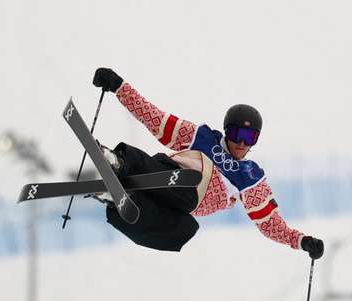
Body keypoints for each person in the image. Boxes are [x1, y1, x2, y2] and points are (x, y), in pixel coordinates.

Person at [89, 67, 324, 259]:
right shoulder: (201, 137)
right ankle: (119, 163)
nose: (241, 143)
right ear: (225, 131)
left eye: (249, 138)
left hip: (181, 206)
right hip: (177, 176)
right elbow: (156, 119)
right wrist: (119, 86)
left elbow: (270, 223)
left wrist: (302, 241)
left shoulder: (250, 176)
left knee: (182, 231)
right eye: (236, 134)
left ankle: (117, 199)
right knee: (186, 183)